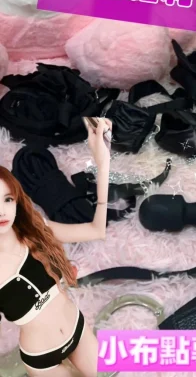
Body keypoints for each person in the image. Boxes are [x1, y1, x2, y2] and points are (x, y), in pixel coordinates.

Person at [0, 117, 112, 377]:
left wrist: (103, 164)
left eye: (7, 199)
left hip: (77, 328)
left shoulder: (35, 230)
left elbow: (96, 230)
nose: (2, 211)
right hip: (41, 357)